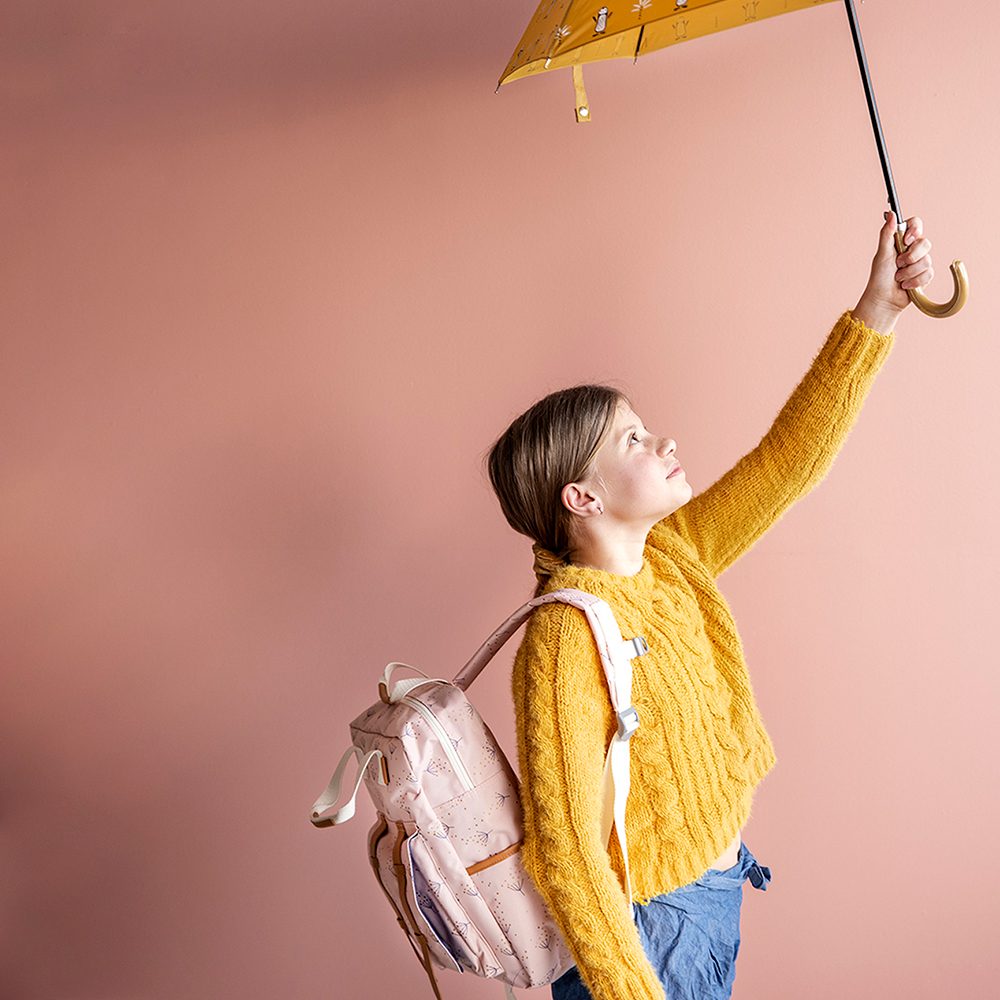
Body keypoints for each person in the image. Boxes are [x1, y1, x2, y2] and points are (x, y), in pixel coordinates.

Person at [486, 213, 934, 1000]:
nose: (662, 444)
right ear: (581, 496)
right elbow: (568, 855)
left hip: (712, 902)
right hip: (651, 939)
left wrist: (878, 311)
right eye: (631, 441)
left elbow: (787, 463)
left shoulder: (672, 556)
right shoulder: (562, 636)